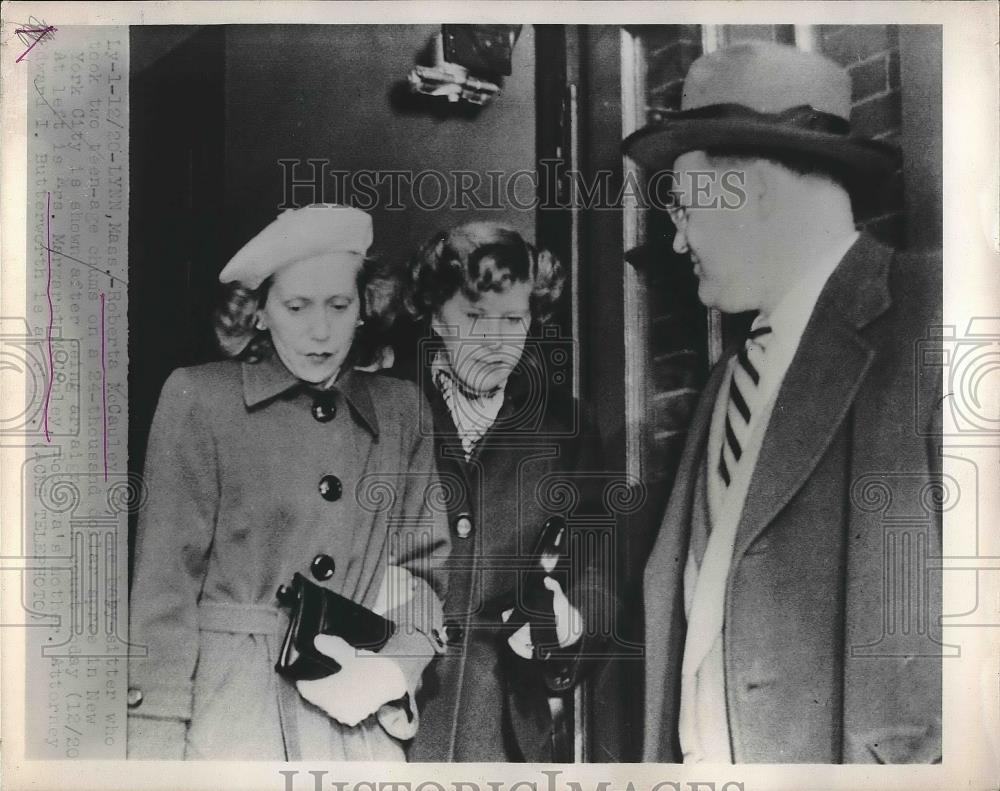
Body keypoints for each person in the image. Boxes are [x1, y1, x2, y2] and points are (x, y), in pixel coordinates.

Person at [624, 42, 942, 763]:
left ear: (751, 191)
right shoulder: (723, 385)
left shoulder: (941, 311)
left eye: (684, 207)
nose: (676, 241)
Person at [127, 205, 449, 761]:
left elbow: (417, 572)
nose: (320, 331)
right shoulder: (199, 399)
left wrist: (392, 668)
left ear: (365, 308)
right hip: (226, 714)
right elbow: (165, 585)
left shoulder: (402, 413)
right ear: (258, 312)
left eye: (339, 305)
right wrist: (154, 742)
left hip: (352, 718)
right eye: (296, 307)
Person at [392, 221, 614, 762]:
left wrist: (570, 617)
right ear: (433, 315)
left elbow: (597, 567)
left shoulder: (565, 427)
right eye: (473, 317)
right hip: (387, 704)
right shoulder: (388, 407)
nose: (494, 342)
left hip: (503, 722)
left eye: (513, 320)